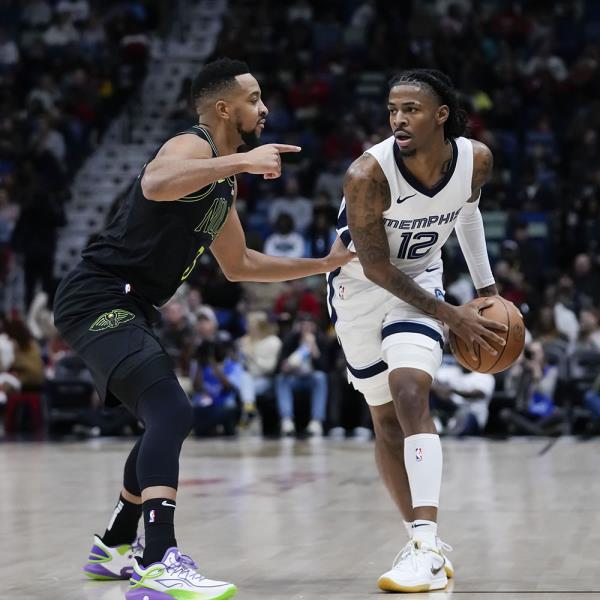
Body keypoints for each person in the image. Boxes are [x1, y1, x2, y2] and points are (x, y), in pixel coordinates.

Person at [53, 58, 350, 600]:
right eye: (254, 99)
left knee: (158, 419)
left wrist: (324, 263)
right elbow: (158, 182)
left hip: (132, 304)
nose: (263, 108)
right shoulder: (189, 147)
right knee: (173, 411)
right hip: (97, 295)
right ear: (223, 108)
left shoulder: (223, 183)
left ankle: (115, 546)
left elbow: (240, 265)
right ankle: (158, 559)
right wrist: (240, 160)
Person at [329, 69, 507, 592]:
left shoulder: (475, 159)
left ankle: (427, 544)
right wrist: (454, 315)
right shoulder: (367, 174)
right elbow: (378, 268)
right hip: (360, 287)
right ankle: (418, 542)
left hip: (424, 279)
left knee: (412, 394)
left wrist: (488, 290)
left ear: (441, 115)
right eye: (392, 110)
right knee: (384, 421)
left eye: (410, 109)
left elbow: (468, 215)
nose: (398, 119)